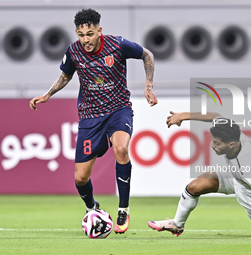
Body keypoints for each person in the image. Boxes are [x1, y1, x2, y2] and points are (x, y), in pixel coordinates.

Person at [29, 8, 157, 234]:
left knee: (121, 149)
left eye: (89, 34)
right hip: (90, 116)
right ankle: (92, 208)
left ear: (99, 30)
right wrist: (48, 94)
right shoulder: (74, 52)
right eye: (80, 34)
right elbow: (66, 75)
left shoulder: (117, 45)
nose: (85, 40)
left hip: (119, 109)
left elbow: (147, 55)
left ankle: (123, 210)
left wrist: (149, 85)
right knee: (80, 178)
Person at [148, 111, 251, 238]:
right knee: (194, 187)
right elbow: (215, 116)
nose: (213, 145)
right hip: (232, 174)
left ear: (231, 145)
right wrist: (183, 116)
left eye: (217, 143)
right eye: (213, 141)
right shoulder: (231, 132)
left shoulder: (248, 165)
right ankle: (177, 224)